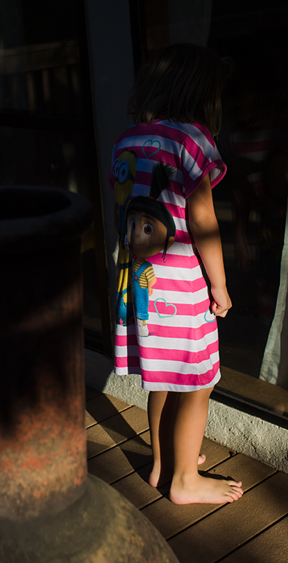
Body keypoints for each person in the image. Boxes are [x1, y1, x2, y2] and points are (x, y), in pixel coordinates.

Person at [109, 43, 243, 504]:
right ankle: (185, 481)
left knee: (164, 376)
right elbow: (203, 221)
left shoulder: (128, 141)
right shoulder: (192, 142)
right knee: (199, 382)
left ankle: (164, 463)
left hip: (140, 285)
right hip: (182, 287)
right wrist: (220, 287)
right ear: (203, 96)